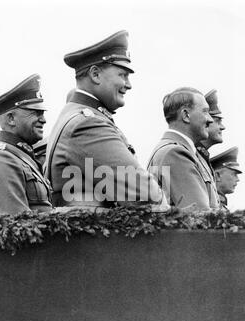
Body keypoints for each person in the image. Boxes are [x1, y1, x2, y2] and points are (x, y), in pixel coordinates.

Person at [45, 30, 168, 210]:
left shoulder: (75, 114)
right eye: (122, 75)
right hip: (94, 238)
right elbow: (145, 194)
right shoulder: (86, 124)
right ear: (95, 74)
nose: (129, 84)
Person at [0, 74, 52, 215]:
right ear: (11, 119)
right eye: (36, 113)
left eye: (42, 113)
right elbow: (21, 229)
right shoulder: (1, 160)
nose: (43, 120)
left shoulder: (20, 156)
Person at [147, 87, 219, 210]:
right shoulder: (175, 153)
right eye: (205, 111)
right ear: (186, 115)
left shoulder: (181, 151)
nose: (210, 119)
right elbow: (199, 214)